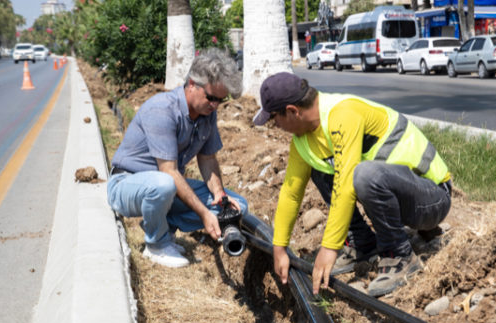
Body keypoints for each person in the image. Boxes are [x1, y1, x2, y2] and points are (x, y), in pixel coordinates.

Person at [254, 72, 452, 297]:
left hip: (432, 200)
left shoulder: (342, 114)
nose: (275, 126)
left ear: (292, 111)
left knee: (363, 174)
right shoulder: (303, 140)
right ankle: (362, 245)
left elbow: (346, 184)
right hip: (404, 203)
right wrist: (279, 248)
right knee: (321, 168)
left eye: (274, 119)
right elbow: (291, 193)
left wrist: (330, 247)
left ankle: (400, 255)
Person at [107, 48, 248, 268]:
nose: (215, 105)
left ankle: (162, 225)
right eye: (211, 98)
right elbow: (168, 172)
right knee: (164, 184)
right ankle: (156, 245)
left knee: (239, 206)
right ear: (192, 84)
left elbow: (208, 159)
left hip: (165, 189)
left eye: (221, 100)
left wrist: (220, 196)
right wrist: (203, 214)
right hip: (127, 184)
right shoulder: (162, 109)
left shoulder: (207, 113)